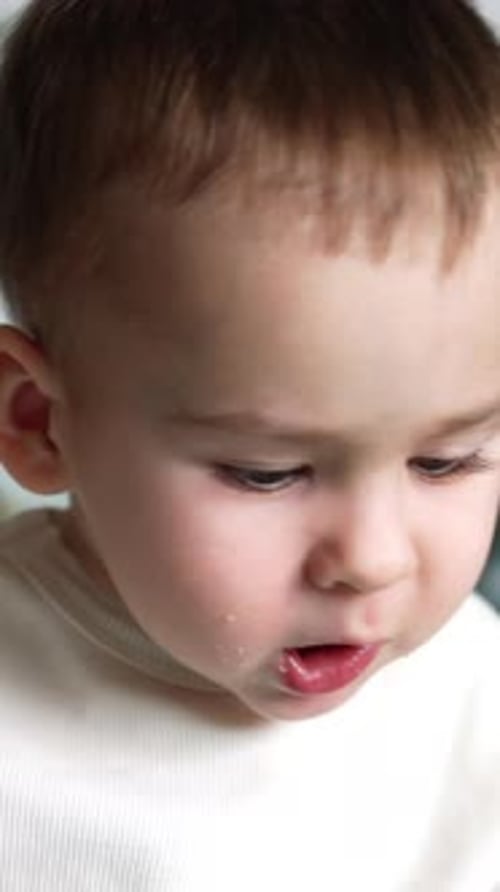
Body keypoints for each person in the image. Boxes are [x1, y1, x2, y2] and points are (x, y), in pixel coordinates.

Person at [0, 0, 500, 888]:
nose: (373, 561)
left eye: (448, 459)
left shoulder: (471, 702)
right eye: (267, 474)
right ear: (38, 421)